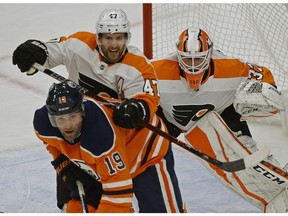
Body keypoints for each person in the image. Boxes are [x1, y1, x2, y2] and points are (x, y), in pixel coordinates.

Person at [12, 9, 162, 211]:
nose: (114, 44)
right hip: (83, 132)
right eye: (108, 38)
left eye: (119, 37)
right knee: (75, 206)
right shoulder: (79, 45)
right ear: (98, 37)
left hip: (139, 148)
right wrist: (36, 52)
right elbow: (49, 53)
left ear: (128, 38)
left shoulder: (138, 66)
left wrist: (137, 108)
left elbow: (146, 99)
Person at [151, 28, 287, 212]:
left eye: (198, 59)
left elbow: (266, 77)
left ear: (210, 55)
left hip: (221, 112)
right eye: (187, 59)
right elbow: (131, 86)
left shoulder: (232, 68)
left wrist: (261, 95)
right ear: (178, 54)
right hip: (167, 118)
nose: (192, 66)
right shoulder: (156, 70)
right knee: (137, 159)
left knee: (254, 173)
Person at [33, 80, 185, 213]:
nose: (67, 126)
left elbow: (119, 198)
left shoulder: (100, 135)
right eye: (60, 119)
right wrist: (63, 163)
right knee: (77, 209)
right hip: (103, 161)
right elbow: (51, 143)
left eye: (72, 116)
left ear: (82, 112)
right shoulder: (42, 124)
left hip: (145, 151)